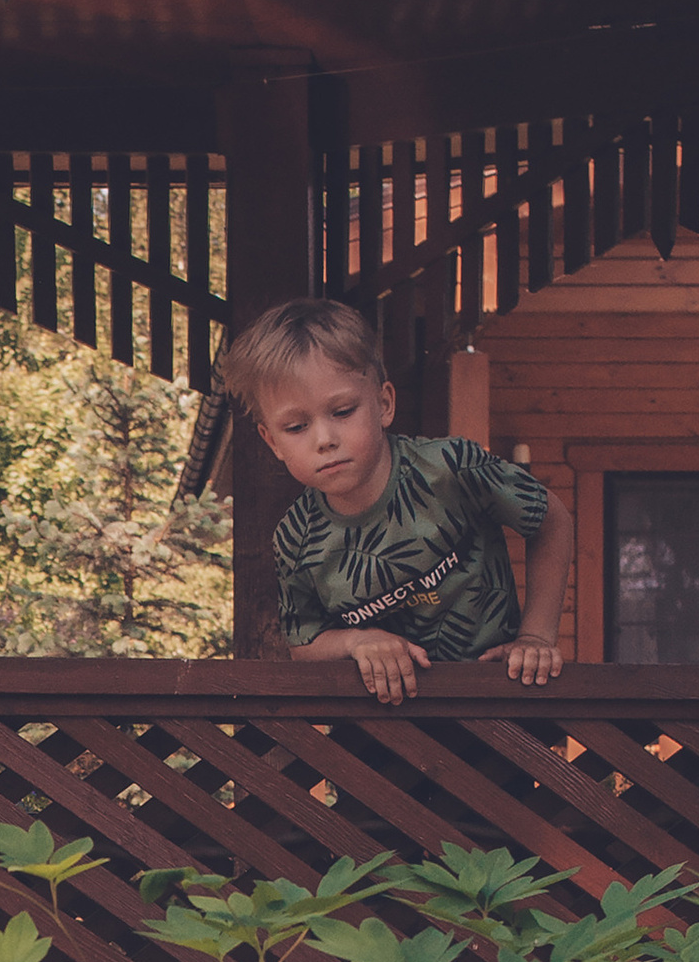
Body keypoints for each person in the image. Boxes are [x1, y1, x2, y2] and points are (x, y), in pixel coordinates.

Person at [218, 296, 576, 706]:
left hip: (496, 703)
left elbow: (551, 520)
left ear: (384, 404)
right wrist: (356, 641)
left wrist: (536, 636)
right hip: (382, 724)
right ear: (272, 442)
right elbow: (305, 643)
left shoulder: (452, 468)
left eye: (342, 411)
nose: (324, 439)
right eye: (297, 426)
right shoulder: (295, 539)